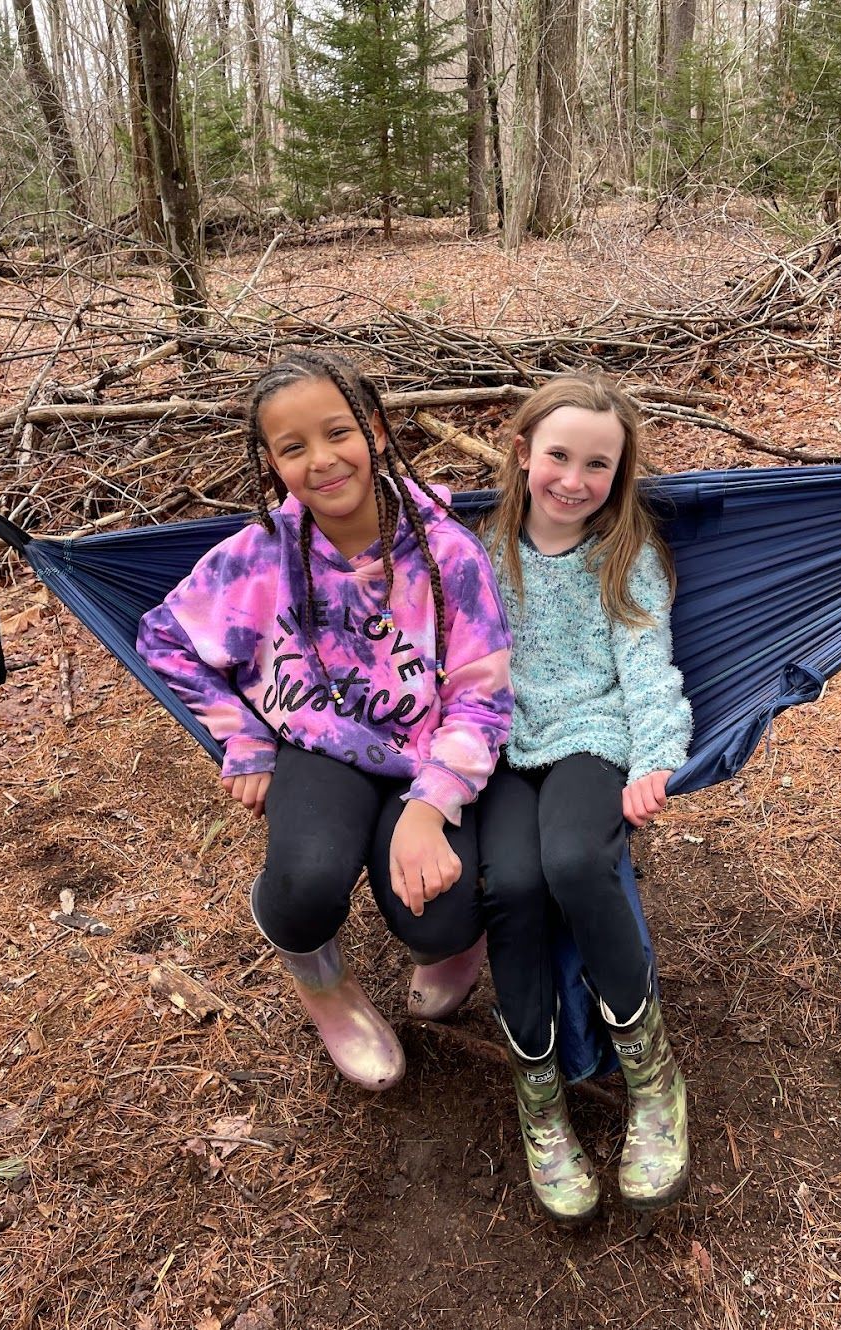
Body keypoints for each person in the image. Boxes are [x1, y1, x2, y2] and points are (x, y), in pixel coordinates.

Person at [137, 350, 513, 1091]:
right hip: (317, 748)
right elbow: (165, 637)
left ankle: (453, 947)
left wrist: (432, 806)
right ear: (272, 462)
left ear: (374, 430)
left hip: (427, 754)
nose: (322, 460)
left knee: (439, 918)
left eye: (337, 432)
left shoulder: (448, 552)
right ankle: (321, 981)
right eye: (292, 447)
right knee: (307, 884)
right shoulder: (259, 557)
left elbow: (482, 695)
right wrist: (242, 739)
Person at [479, 374, 693, 1225]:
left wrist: (654, 758)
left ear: (620, 473)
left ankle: (652, 1077)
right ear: (524, 451)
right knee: (515, 887)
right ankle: (540, 1102)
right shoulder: (477, 549)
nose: (574, 479)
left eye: (597, 464)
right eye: (559, 456)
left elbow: (646, 667)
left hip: (591, 737)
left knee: (572, 859)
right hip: (493, 747)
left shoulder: (625, 555)